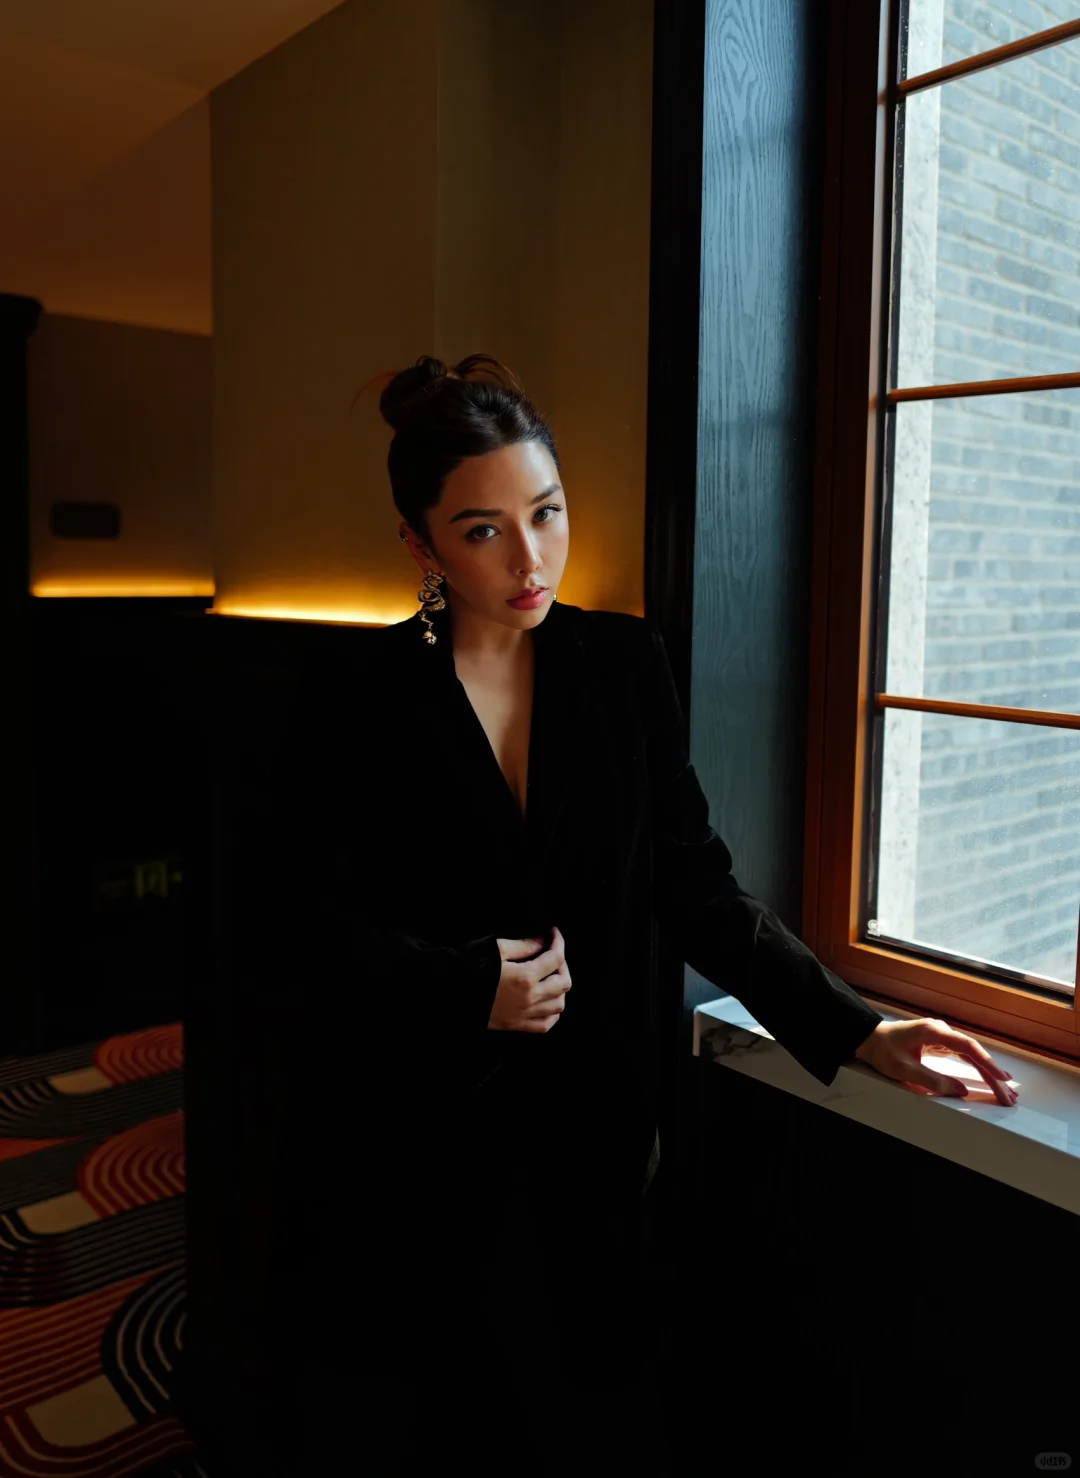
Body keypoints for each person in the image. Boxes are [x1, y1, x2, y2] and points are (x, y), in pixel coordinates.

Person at [269, 353, 1017, 1474]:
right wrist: (468, 986)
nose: (530, 558)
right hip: (422, 1135)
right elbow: (303, 932)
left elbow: (695, 884)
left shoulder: (622, 665)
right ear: (421, 547)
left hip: (598, 1125)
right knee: (447, 1419)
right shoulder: (359, 699)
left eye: (547, 512)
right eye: (483, 530)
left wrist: (858, 1027)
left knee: (596, 1411)